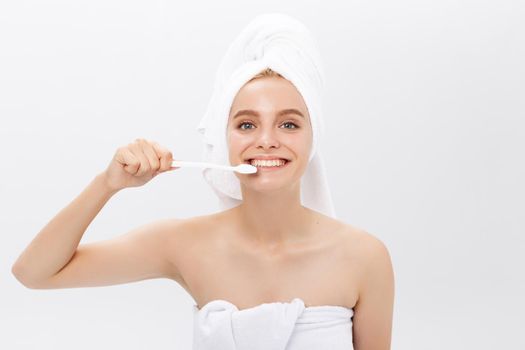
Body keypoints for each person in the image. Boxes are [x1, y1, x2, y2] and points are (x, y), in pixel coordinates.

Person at [12, 17, 394, 350]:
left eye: (289, 123)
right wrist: (107, 184)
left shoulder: (364, 258)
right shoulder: (182, 245)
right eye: (247, 124)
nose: (266, 139)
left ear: (314, 139)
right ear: (223, 138)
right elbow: (35, 272)